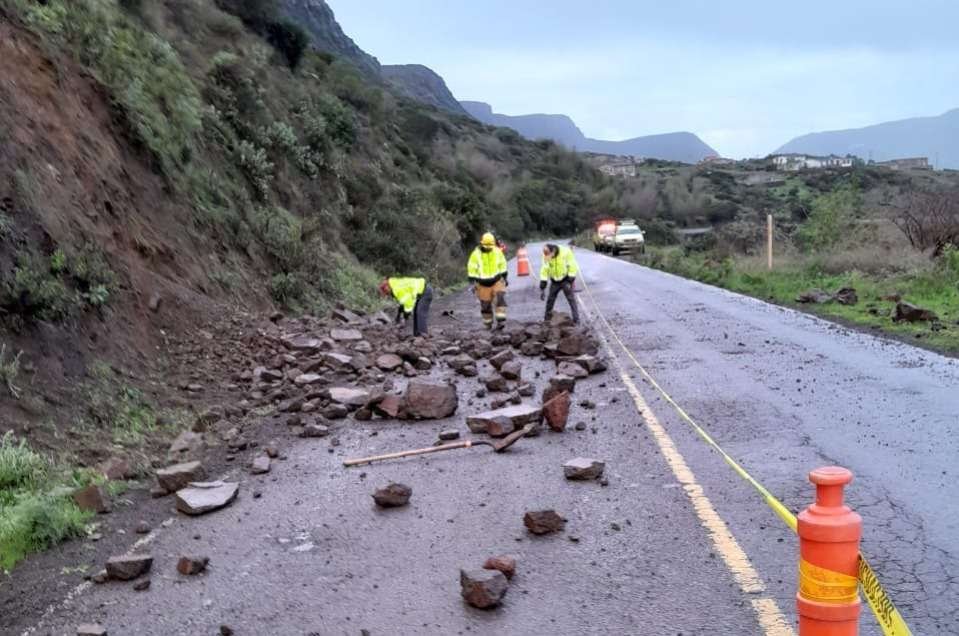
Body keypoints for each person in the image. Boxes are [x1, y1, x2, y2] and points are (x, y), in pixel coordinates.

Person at [467, 232, 509, 329]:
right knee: (485, 306)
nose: (489, 248)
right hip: (482, 284)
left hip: (496, 281)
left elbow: (503, 265)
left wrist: (505, 277)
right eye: (487, 246)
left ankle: (500, 321)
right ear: (482, 243)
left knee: (500, 298)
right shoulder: (475, 254)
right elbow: (471, 268)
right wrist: (471, 283)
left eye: (490, 246)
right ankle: (488, 324)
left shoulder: (497, 251)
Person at [539, 243, 580, 324]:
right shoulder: (546, 255)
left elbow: (572, 265)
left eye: (550, 256)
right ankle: (547, 320)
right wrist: (542, 286)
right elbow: (544, 270)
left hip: (565, 280)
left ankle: (576, 319)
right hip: (554, 281)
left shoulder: (566, 252)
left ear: (553, 251)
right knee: (550, 300)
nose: (549, 258)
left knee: (571, 299)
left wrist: (570, 279)